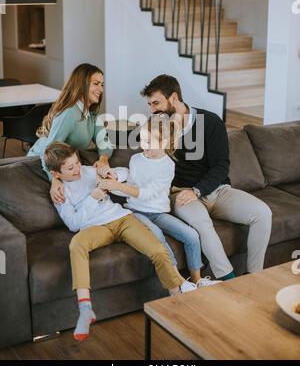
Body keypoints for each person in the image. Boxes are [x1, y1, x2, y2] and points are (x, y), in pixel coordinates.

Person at [44, 142, 198, 342]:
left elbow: (125, 172)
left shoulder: (89, 172)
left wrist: (112, 175)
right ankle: (85, 309)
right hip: (95, 229)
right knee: (76, 244)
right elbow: (73, 224)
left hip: (122, 219)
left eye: (78, 162)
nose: (78, 169)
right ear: (56, 174)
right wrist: (93, 198)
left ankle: (176, 301)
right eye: (71, 168)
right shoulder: (61, 193)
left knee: (158, 250)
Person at [140, 74, 272, 280]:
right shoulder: (159, 129)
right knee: (202, 223)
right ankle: (228, 279)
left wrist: (198, 190)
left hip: (216, 191)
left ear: (173, 98)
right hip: (180, 194)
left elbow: (221, 166)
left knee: (262, 213)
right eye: (149, 104)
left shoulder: (210, 122)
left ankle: (254, 277)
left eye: (156, 103)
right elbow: (144, 153)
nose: (152, 109)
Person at [99, 116, 219, 287]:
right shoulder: (136, 159)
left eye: (149, 141)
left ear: (163, 143)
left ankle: (197, 280)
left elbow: (147, 193)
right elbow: (131, 183)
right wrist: (114, 181)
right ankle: (178, 281)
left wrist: (117, 185)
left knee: (192, 236)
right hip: (135, 211)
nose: (143, 145)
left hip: (159, 212)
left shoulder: (167, 165)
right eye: (142, 139)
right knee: (157, 235)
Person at [28, 64, 113, 204]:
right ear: (82, 85)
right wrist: (54, 180)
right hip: (42, 163)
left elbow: (104, 141)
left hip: (64, 166)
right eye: (96, 84)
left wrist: (103, 159)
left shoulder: (91, 112)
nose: (101, 89)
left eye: (102, 85)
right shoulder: (69, 113)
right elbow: (49, 151)